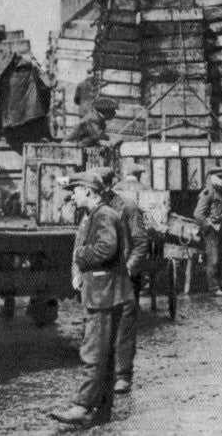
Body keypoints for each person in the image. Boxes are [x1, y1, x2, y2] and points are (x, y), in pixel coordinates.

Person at [50, 171, 134, 427]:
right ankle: (101, 411)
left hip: (103, 293)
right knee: (104, 354)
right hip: (106, 291)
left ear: (88, 191)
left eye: (75, 191)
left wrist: (80, 254)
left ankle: (83, 406)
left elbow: (107, 248)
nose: (72, 196)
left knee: (94, 352)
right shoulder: (99, 214)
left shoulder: (103, 215)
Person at [91, 167, 149, 396]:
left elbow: (140, 242)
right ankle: (103, 373)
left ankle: (123, 376)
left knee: (124, 327)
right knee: (100, 326)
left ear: (108, 186)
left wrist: (128, 270)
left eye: (99, 187)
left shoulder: (128, 206)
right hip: (101, 276)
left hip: (123, 276)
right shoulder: (92, 208)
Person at [194, 167, 222, 296]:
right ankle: (214, 288)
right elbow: (198, 214)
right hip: (212, 232)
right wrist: (208, 225)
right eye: (219, 178)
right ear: (212, 178)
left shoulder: (220, 192)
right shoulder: (208, 193)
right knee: (213, 260)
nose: (221, 180)